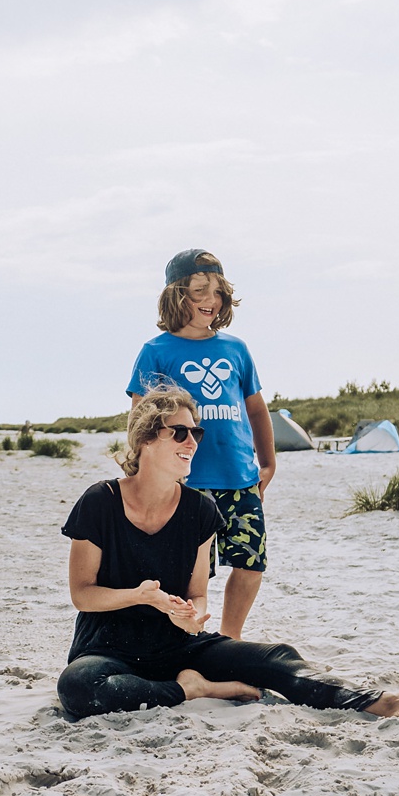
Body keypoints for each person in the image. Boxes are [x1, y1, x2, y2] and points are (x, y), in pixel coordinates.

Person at [57, 385, 399, 720]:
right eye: (178, 432)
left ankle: (388, 703)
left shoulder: (201, 510)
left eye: (195, 433)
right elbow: (82, 593)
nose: (191, 442)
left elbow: (197, 594)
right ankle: (191, 689)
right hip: (107, 650)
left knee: (277, 658)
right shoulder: (101, 501)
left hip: (177, 646)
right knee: (78, 688)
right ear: (146, 438)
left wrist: (191, 614)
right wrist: (139, 596)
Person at [126, 249, 276, 641]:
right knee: (192, 572)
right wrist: (140, 468)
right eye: (200, 291)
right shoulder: (156, 352)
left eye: (218, 292)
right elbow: (140, 419)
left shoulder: (236, 350)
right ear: (177, 296)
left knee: (251, 561)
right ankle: (192, 637)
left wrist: (268, 463)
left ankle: (229, 639)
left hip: (239, 478)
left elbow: (257, 410)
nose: (212, 300)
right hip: (186, 484)